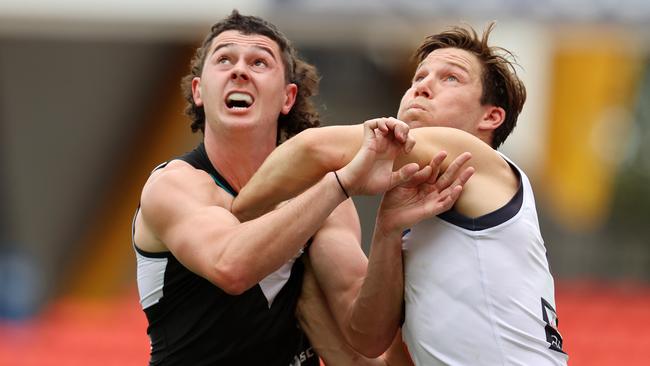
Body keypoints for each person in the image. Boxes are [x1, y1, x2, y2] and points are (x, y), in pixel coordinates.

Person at [131, 10, 471, 365]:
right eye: (224, 59)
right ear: (199, 91)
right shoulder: (174, 184)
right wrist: (340, 183)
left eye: (259, 62)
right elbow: (230, 266)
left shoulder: (326, 200)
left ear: (287, 98)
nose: (240, 70)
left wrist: (389, 228)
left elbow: (368, 335)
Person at [232, 23, 569, 365]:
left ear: (491, 117)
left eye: (450, 78)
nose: (422, 86)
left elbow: (313, 149)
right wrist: (387, 230)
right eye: (418, 77)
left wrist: (232, 216)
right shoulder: (420, 216)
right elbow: (370, 340)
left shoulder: (477, 159)